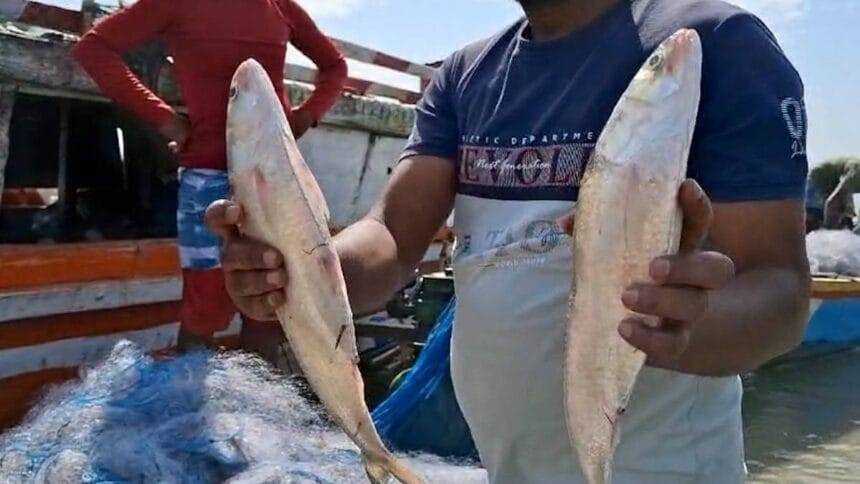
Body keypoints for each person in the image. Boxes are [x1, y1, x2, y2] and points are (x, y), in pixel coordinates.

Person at [207, 0, 810, 482]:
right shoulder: (467, 73)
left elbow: (780, 290)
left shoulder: (715, 42)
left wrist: (685, 325)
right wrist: (300, 271)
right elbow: (392, 235)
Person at [73, 0, 347, 351]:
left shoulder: (281, 5)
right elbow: (92, 49)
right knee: (203, 311)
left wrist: (304, 118)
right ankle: (193, 403)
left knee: (271, 307)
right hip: (208, 180)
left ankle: (257, 404)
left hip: (276, 175)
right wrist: (166, 119)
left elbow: (335, 67)